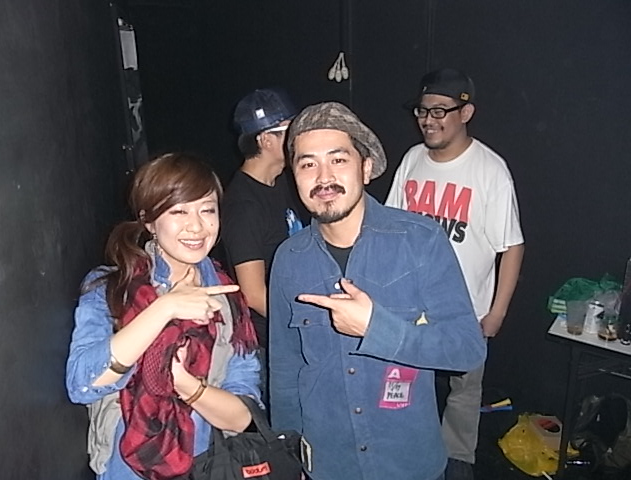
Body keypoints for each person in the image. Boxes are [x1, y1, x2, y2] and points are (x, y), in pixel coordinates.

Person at [269, 102, 487, 480]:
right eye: (308, 164)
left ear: (366, 168)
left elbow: (467, 349)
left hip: (409, 464)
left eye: (338, 160)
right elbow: (285, 371)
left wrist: (377, 328)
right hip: (328, 466)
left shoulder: (420, 241)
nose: (323, 177)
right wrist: (288, 456)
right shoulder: (289, 260)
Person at [66, 153, 260, 480]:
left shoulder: (228, 301)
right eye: (179, 211)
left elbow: (244, 418)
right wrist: (165, 307)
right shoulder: (112, 288)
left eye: (207, 210)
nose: (196, 226)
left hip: (206, 467)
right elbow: (82, 384)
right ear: (149, 221)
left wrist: (185, 383)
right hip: (126, 471)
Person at [386, 68, 525, 479]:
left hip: (465, 312)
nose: (428, 120)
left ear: (465, 113)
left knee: (464, 395)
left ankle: (457, 465)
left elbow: (511, 245)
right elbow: (390, 227)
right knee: (404, 390)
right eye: (422, 110)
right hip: (409, 309)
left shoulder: (490, 170)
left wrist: (497, 312)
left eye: (439, 111)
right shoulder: (412, 159)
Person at [222, 88, 304, 351]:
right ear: (266, 140)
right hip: (270, 342)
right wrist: (304, 324)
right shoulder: (244, 206)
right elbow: (254, 294)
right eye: (290, 130)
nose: (299, 137)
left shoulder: (280, 181)